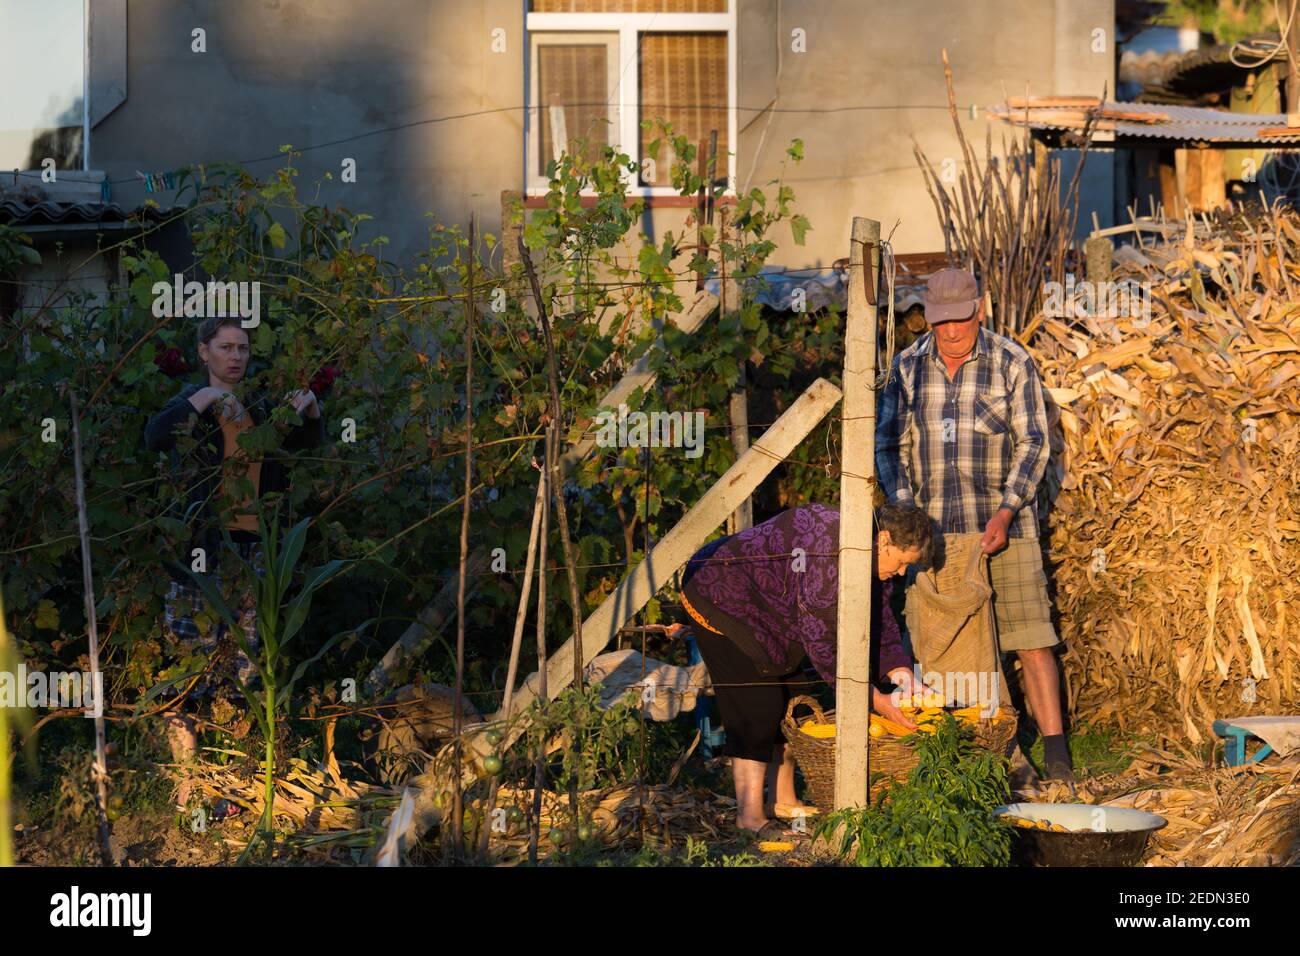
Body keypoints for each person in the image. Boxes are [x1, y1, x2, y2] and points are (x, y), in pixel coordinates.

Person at [875, 267, 1073, 782]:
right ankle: (965, 758)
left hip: (1005, 529)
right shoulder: (906, 367)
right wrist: (908, 519)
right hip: (934, 542)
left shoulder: (1011, 362)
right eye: (941, 322)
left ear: (979, 310)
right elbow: (888, 446)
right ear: (929, 318)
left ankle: (1057, 760)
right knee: (947, 650)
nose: (952, 331)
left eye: (961, 319)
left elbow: (1034, 443)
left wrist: (1007, 511)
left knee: (1031, 640)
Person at [665, 502, 935, 835]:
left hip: (767, 609)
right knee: (757, 705)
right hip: (719, 592)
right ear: (884, 540)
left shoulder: (865, 553)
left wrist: (901, 675)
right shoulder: (828, 553)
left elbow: (879, 619)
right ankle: (749, 817)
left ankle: (783, 799)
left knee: (797, 703)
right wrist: (874, 698)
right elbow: (820, 643)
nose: (900, 573)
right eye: (902, 563)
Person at [145, 315, 325, 809]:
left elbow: (306, 444)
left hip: (254, 547)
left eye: (243, 348)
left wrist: (309, 410)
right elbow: (156, 436)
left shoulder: (262, 406)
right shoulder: (191, 404)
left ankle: (229, 782)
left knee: (248, 661)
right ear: (204, 353)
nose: (236, 357)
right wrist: (208, 398)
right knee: (190, 658)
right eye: (225, 347)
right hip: (202, 548)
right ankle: (187, 780)